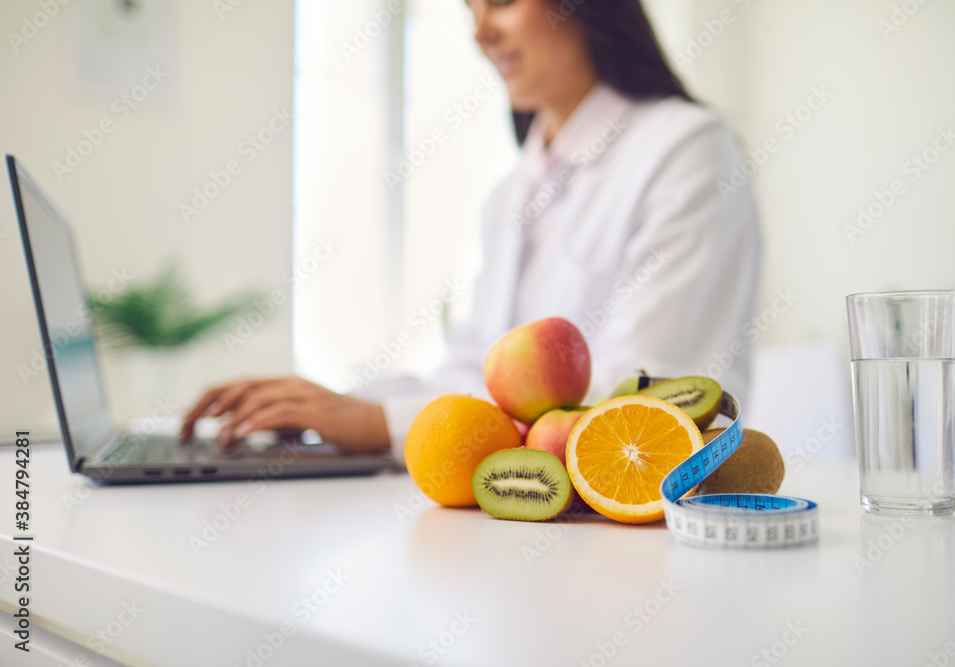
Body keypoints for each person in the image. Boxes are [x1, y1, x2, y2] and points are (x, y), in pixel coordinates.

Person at [181, 0, 761, 463]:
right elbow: (470, 374)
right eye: (469, 9)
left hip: (640, 513)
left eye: (502, 2)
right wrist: (330, 405)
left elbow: (648, 386)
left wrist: (380, 425)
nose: (480, 32)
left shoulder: (687, 148)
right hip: (525, 520)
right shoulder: (512, 192)